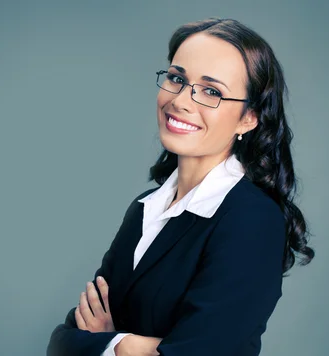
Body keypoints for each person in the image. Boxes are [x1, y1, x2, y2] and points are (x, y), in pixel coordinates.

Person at [46, 17, 314, 356]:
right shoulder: (146, 207)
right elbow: (62, 342)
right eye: (176, 78)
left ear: (248, 118)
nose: (182, 101)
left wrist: (111, 342)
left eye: (212, 92)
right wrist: (133, 347)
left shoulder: (252, 219)